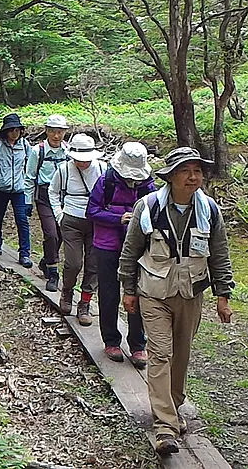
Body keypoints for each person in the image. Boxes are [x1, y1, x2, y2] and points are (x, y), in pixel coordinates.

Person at [118, 147, 235, 455]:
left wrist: (223, 296)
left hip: (191, 293)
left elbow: (220, 255)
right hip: (153, 293)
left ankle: (173, 407)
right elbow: (130, 252)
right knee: (160, 354)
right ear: (170, 177)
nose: (193, 177)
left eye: (197, 171)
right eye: (185, 171)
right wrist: (128, 290)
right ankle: (165, 426)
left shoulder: (209, 210)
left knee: (181, 355)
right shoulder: (149, 207)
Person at [88, 142, 155, 367]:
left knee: (137, 293)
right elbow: (92, 211)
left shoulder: (148, 185)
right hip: (106, 245)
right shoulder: (105, 182)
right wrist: (118, 218)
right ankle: (111, 341)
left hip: (136, 247)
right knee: (109, 294)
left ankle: (138, 345)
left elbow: (154, 211)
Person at [48, 133, 106, 324]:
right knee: (73, 263)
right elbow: (53, 191)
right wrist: (59, 215)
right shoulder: (64, 170)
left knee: (94, 264)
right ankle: (67, 292)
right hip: (71, 220)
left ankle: (85, 303)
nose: (83, 163)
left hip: (97, 222)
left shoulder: (102, 169)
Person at [26, 114, 72, 292]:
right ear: (46, 131)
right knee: (51, 233)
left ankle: (46, 260)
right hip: (44, 196)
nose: (56, 136)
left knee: (61, 234)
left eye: (60, 132)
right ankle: (53, 273)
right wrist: (27, 201)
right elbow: (30, 177)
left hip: (63, 196)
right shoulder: (38, 151)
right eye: (53, 131)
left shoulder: (68, 151)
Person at [0, 113, 33, 268]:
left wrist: (29, 192)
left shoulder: (25, 146)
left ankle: (24, 253)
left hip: (19, 189)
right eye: (12, 130)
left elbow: (30, 168)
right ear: (5, 131)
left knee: (22, 220)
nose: (15, 133)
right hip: (0, 188)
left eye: (17, 130)